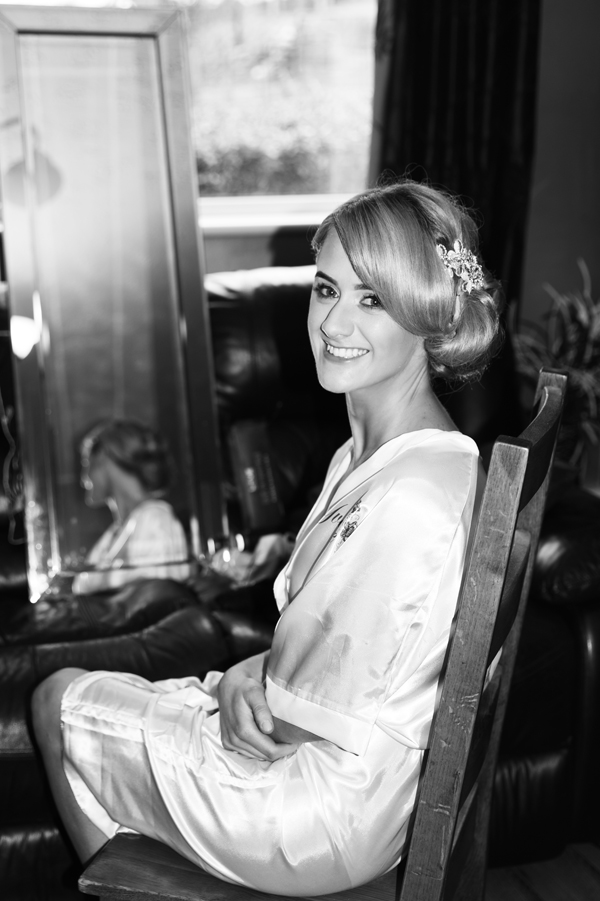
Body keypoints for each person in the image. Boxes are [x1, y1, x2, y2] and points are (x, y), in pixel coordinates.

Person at [32, 180, 501, 895]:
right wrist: (249, 674)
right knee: (115, 699)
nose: (333, 322)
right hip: (344, 775)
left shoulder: (411, 494)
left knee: (56, 701)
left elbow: (313, 721)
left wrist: (243, 692)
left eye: (372, 299)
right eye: (326, 289)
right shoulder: (376, 456)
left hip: (321, 809)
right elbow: (360, 658)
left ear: (425, 313)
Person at [71, 419, 191, 594]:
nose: (84, 479)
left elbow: (156, 597)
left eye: (86, 464)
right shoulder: (113, 534)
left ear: (103, 456)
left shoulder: (155, 518)